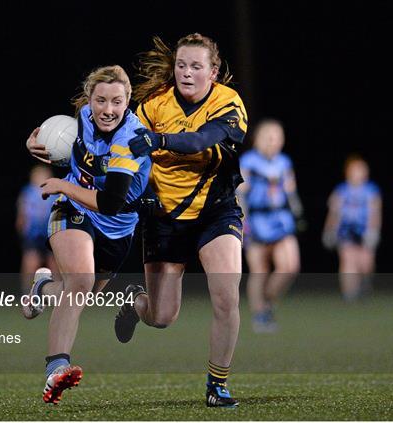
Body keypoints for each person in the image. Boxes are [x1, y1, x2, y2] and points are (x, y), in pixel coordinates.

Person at [114, 34, 248, 408]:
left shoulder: (228, 103)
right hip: (164, 217)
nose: (186, 73)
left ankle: (217, 384)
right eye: (181, 65)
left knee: (226, 296)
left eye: (196, 66)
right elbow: (119, 146)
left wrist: (157, 140)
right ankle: (136, 303)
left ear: (214, 71)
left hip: (215, 212)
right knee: (161, 317)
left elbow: (201, 140)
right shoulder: (153, 103)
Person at [24, 65, 152, 404]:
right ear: (89, 99)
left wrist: (64, 182)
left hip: (116, 225)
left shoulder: (130, 139)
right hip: (73, 210)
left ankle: (42, 288)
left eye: (116, 102)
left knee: (79, 294)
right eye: (100, 100)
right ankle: (55, 370)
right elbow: (54, 139)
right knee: (81, 281)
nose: (107, 110)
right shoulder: (82, 117)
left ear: (128, 102)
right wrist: (34, 142)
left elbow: (110, 202)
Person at [236, 119, 302, 333]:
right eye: (269, 137)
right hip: (256, 221)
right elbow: (241, 193)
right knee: (259, 271)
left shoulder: (284, 162)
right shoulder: (248, 161)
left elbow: (290, 191)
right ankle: (260, 315)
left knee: (290, 267)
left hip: (281, 219)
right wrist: (243, 222)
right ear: (258, 139)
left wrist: (297, 210)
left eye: (277, 137)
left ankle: (267, 302)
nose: (273, 141)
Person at [322, 154, 382, 301]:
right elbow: (334, 213)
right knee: (348, 260)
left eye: (361, 169)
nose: (358, 173)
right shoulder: (341, 190)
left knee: (366, 262)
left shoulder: (371, 190)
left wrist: (374, 231)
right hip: (345, 231)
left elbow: (376, 212)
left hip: (364, 231)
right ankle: (349, 293)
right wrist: (328, 230)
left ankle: (364, 287)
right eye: (354, 169)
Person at [15, 164, 59, 294]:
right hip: (33, 233)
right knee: (30, 260)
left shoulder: (54, 191)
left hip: (49, 232)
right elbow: (22, 209)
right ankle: (27, 291)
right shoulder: (28, 191)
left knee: (54, 262)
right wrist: (21, 223)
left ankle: (58, 291)